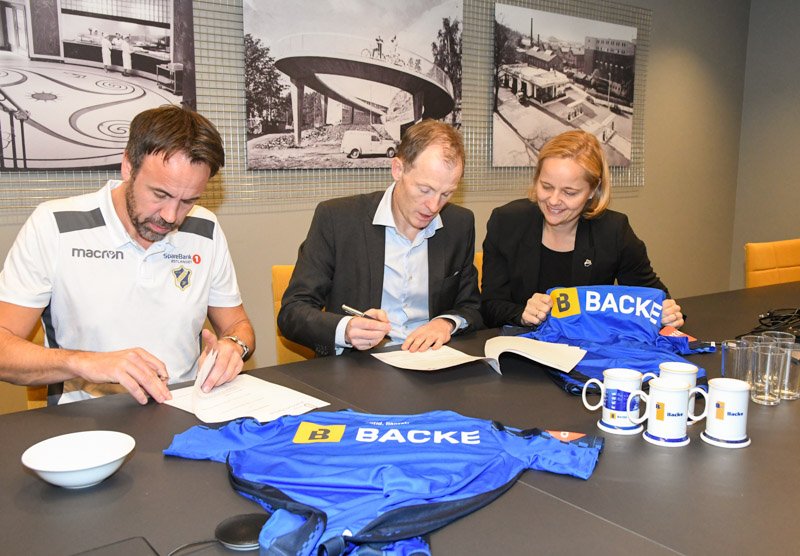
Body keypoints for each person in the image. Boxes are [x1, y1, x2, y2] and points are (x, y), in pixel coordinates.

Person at [0, 105, 255, 405]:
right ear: (127, 167)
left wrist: (234, 346)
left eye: (188, 200)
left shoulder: (205, 229)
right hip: (86, 422)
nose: (171, 216)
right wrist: (85, 362)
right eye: (160, 195)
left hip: (185, 409)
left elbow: (239, 326)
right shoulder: (55, 225)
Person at [278, 119, 482, 357]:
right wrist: (346, 330)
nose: (434, 205)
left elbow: (472, 307)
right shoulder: (338, 219)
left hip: (432, 364)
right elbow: (292, 312)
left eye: (446, 193)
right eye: (424, 190)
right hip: (360, 369)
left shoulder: (459, 224)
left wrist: (446, 323)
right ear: (398, 169)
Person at [480, 129, 683, 329]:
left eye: (569, 192)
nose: (553, 200)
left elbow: (655, 297)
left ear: (592, 191)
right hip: (522, 349)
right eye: (546, 186)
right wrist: (521, 314)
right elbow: (490, 306)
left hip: (588, 352)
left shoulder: (613, 231)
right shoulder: (506, 222)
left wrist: (667, 314)